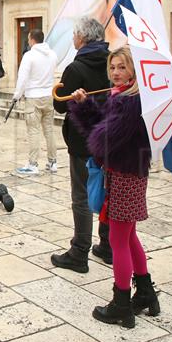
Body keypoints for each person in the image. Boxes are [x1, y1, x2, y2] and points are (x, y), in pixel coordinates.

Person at [68, 46, 158, 329]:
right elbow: (101, 127)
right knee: (129, 237)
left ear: (133, 69)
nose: (116, 73)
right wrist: (84, 105)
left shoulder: (130, 103)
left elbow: (102, 140)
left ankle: (121, 304)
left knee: (118, 242)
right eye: (113, 67)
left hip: (124, 176)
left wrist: (95, 132)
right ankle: (145, 292)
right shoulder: (120, 97)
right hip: (129, 173)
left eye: (122, 67)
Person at [51, 17, 112, 272]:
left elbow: (60, 104)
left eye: (75, 35)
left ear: (82, 38)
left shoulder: (76, 67)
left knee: (82, 195)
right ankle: (107, 245)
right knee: (108, 191)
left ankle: (79, 252)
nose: (73, 39)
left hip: (83, 140)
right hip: (110, 137)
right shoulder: (113, 63)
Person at [13, 29, 57, 175]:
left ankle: (33, 164)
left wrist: (17, 95)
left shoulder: (29, 56)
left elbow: (22, 78)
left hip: (33, 97)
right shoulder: (52, 54)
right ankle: (52, 162)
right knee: (49, 130)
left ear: (31, 39)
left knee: (33, 131)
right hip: (48, 96)